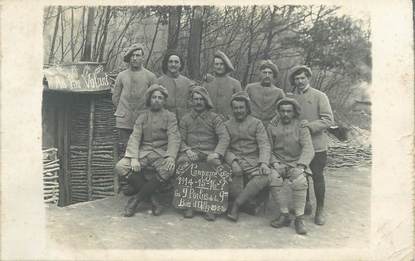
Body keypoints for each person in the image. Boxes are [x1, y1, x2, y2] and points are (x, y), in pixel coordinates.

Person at [114, 84, 181, 217]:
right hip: (143, 153)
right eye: (154, 97)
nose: (156, 100)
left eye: (160, 98)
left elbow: (174, 137)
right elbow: (135, 137)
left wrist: (171, 157)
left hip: (161, 154)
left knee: (168, 168)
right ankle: (154, 199)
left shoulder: (170, 117)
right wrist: (133, 157)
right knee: (121, 167)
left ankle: (136, 200)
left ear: (164, 101)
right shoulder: (142, 117)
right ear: (150, 100)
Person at [288, 65, 334, 225]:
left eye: (302, 78)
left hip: (317, 145)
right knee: (301, 175)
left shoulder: (320, 96)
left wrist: (310, 126)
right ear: (294, 80)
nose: (300, 81)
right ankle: (305, 204)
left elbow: (328, 119)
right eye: (297, 78)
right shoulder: (291, 97)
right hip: (299, 146)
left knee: (317, 176)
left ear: (308, 78)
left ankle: (320, 209)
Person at [177, 86, 230, 221]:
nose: (198, 102)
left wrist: (217, 153)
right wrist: (187, 150)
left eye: (201, 99)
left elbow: (224, 137)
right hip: (191, 151)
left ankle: (210, 205)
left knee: (215, 165)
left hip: (209, 152)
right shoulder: (186, 119)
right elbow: (180, 139)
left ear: (206, 101)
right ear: (192, 101)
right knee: (183, 164)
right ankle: (189, 203)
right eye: (196, 99)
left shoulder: (215, 118)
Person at [267, 98, 315, 235]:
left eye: (289, 111)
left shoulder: (301, 126)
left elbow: (308, 148)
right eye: (282, 111)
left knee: (300, 180)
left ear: (294, 112)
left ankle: (299, 218)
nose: (285, 114)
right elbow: (267, 147)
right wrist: (274, 163)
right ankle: (284, 214)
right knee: (273, 178)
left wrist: (301, 166)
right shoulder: (272, 126)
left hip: (296, 162)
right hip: (279, 162)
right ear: (278, 112)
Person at [224, 91, 271, 222]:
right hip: (234, 161)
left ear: (247, 108)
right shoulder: (227, 125)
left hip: (253, 161)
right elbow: (224, 147)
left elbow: (264, 144)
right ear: (232, 109)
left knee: (265, 176)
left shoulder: (257, 123)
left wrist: (263, 163)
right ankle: (244, 203)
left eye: (241, 108)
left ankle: (237, 205)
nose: (238, 111)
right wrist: (233, 161)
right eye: (235, 108)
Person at [112, 43, 157, 155]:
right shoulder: (121, 75)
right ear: (129, 58)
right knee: (124, 150)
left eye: (138, 55)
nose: (135, 58)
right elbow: (115, 97)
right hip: (124, 121)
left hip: (142, 120)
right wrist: (124, 110)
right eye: (132, 56)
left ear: (143, 58)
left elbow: (155, 99)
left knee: (141, 151)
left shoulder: (150, 76)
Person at [203, 50, 242, 120]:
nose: (219, 67)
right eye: (216, 64)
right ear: (213, 66)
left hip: (229, 122)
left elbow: (241, 105)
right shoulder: (207, 83)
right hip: (210, 121)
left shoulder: (235, 83)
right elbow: (203, 103)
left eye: (221, 64)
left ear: (226, 66)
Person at [157, 50, 195, 121]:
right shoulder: (159, 82)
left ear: (180, 64)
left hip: (183, 122)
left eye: (176, 62)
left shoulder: (187, 82)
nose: (173, 64)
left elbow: (198, 96)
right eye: (170, 62)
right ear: (166, 64)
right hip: (164, 121)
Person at [246, 60, 285, 126]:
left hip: (270, 126)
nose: (267, 75)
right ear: (260, 74)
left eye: (270, 73)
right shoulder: (250, 88)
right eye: (264, 72)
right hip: (251, 124)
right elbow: (243, 105)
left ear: (273, 75)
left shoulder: (279, 92)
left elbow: (284, 109)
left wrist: (276, 119)